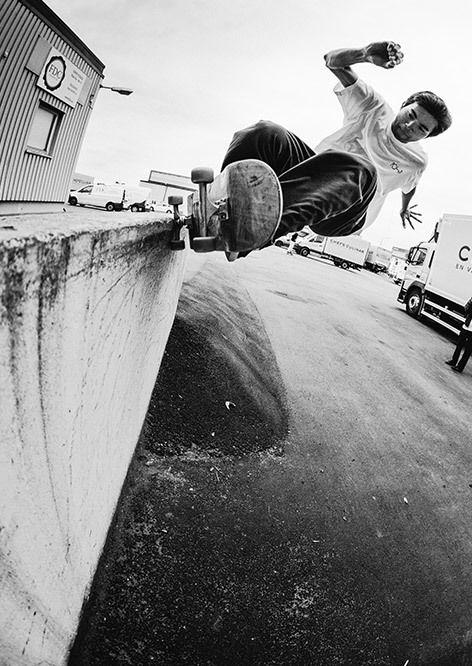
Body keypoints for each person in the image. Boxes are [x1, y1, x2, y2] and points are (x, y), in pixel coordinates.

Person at [221, 41, 451, 256]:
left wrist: (404, 209)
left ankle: (250, 237)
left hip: (347, 215)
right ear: (404, 105)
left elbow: (410, 187)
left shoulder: (417, 161)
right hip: (311, 179)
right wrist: (366, 53)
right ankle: (221, 203)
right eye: (410, 115)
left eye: (421, 129)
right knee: (265, 132)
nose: (409, 127)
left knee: (363, 170)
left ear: (428, 136)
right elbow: (332, 60)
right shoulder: (373, 106)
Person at [445, 297, 472, 373]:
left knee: (468, 350)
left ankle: (460, 367)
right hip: (466, 326)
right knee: (459, 344)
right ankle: (454, 360)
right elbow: (466, 308)